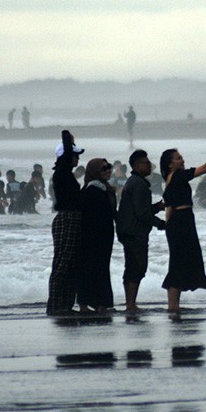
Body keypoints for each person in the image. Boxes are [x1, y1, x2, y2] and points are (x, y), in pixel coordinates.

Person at [160, 137, 206, 313]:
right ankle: (172, 306)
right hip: (181, 222)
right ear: (170, 164)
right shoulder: (177, 176)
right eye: (178, 158)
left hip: (181, 221)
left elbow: (169, 207)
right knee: (177, 264)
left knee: (181, 262)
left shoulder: (172, 179)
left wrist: (167, 226)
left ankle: (174, 305)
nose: (182, 160)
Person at [117, 150, 166, 312]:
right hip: (134, 232)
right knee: (137, 267)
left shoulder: (135, 181)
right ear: (136, 166)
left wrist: (157, 207)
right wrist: (161, 224)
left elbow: (140, 210)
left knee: (133, 266)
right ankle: (130, 304)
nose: (149, 165)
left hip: (129, 230)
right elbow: (141, 213)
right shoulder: (138, 184)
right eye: (146, 163)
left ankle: (130, 303)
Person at [46, 130, 85, 315]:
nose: (77, 159)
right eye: (74, 155)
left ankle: (65, 305)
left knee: (71, 264)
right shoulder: (61, 172)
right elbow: (65, 141)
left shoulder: (66, 174)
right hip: (67, 218)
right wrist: (68, 139)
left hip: (72, 217)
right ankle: (56, 305)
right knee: (63, 263)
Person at [77, 158, 116, 313]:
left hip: (104, 235)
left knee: (101, 268)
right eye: (103, 168)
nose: (108, 170)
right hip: (92, 236)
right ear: (94, 172)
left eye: (109, 167)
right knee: (90, 268)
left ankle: (101, 303)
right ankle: (85, 304)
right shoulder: (91, 190)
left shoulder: (104, 189)